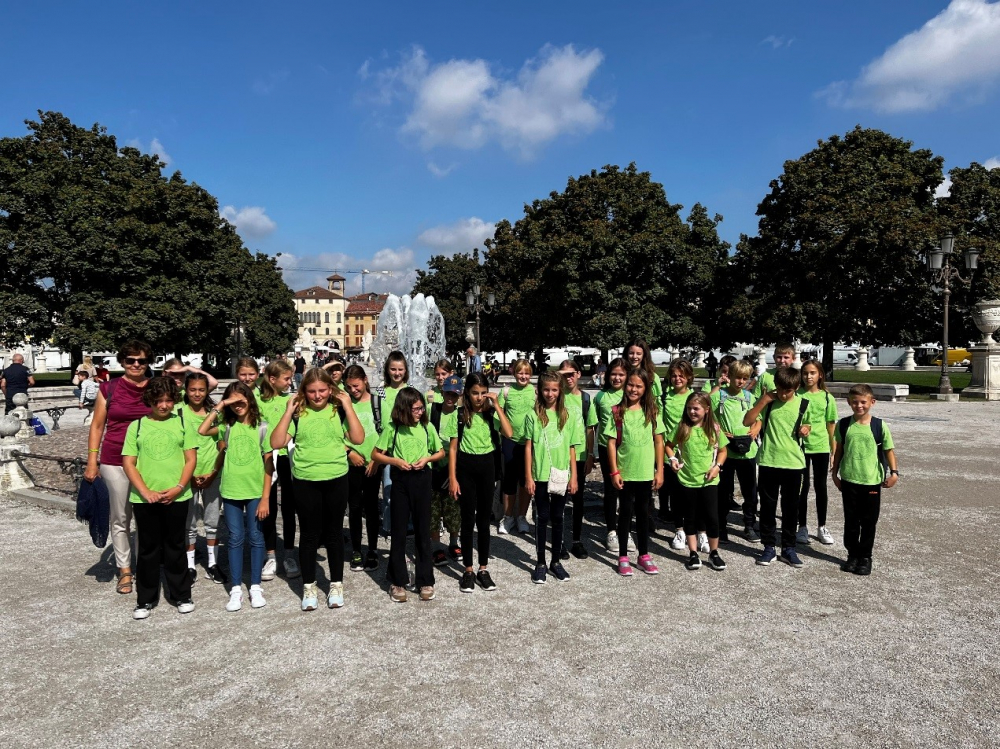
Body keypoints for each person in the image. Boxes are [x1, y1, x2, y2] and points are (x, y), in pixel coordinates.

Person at [270, 368, 365, 611]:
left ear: (330, 389)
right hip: (306, 480)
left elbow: (358, 438)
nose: (317, 395)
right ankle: (309, 586)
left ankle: (336, 584)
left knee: (334, 534)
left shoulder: (338, 410)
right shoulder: (298, 413)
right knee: (309, 535)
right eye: (311, 391)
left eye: (322, 390)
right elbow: (276, 442)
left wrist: (348, 406)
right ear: (304, 391)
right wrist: (288, 411)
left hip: (336, 477)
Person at [121, 377, 197, 620]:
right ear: (149, 401)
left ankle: (181, 594)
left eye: (168, 400)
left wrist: (179, 487)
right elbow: (128, 462)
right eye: (158, 401)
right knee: (148, 549)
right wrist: (145, 491)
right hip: (145, 498)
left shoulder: (183, 423)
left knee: (176, 545)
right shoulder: (137, 426)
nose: (163, 405)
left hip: (177, 495)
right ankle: (145, 598)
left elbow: (191, 459)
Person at [84, 340, 154, 596]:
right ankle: (124, 569)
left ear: (148, 362)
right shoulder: (109, 388)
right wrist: (92, 460)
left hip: (149, 461)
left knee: (148, 517)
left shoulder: (156, 388)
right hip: (115, 459)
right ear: (122, 362)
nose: (136, 364)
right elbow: (97, 426)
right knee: (120, 517)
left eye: (141, 360)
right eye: (130, 360)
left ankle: (147, 564)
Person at [202, 382, 273, 612]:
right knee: (235, 538)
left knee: (256, 536)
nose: (237, 405)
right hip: (231, 490)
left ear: (250, 399)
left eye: (241, 400)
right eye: (233, 402)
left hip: (255, 491)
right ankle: (235, 589)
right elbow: (202, 430)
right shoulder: (226, 426)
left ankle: (255, 586)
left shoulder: (263, 426)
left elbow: (269, 465)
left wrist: (265, 498)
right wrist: (222, 404)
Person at [371, 387, 446, 603]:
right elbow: (375, 454)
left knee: (423, 531)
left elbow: (440, 452)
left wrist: (427, 459)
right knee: (399, 531)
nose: (421, 412)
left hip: (422, 479)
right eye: (416, 409)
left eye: (422, 408)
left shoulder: (427, 427)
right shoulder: (393, 428)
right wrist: (395, 461)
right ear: (404, 409)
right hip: (401, 481)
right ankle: (397, 580)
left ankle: (425, 580)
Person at [443, 373, 513, 593]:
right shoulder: (459, 415)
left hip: (487, 467)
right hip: (466, 468)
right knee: (467, 519)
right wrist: (453, 478)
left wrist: (497, 406)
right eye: (475, 393)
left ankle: (483, 568)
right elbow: (452, 449)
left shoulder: (491, 414)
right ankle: (468, 569)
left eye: (483, 393)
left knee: (483, 521)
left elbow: (509, 432)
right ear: (467, 393)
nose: (479, 397)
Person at [743, 366, 813, 568]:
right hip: (769, 461)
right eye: (780, 389)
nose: (783, 394)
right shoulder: (769, 402)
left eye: (787, 391)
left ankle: (789, 548)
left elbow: (808, 424)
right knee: (767, 507)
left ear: (796, 388)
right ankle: (769, 547)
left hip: (794, 463)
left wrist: (806, 429)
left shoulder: (803, 403)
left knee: (791, 508)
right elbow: (747, 421)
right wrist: (763, 400)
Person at [832, 384, 899, 576]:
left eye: (863, 402)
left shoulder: (879, 425)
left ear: (872, 402)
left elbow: (888, 450)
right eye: (855, 402)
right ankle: (852, 555)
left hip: (871, 481)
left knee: (869, 522)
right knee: (851, 521)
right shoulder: (843, 425)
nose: (859, 406)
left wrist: (894, 473)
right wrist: (835, 474)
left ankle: (865, 557)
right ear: (849, 402)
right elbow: (839, 450)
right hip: (849, 479)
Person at [605, 367, 665, 576]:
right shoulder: (617, 412)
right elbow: (611, 443)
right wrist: (614, 472)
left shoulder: (652, 412)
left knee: (643, 513)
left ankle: (643, 555)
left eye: (639, 386)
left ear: (646, 388)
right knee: (625, 514)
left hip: (645, 472)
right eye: (630, 384)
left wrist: (659, 470)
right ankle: (623, 556)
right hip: (626, 472)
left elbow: (659, 441)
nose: (633, 389)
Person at [524, 372, 582, 584]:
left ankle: (555, 561)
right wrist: (528, 476)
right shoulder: (533, 415)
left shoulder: (567, 415)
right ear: (540, 390)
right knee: (542, 517)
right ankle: (540, 562)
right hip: (540, 474)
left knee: (558, 517)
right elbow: (528, 447)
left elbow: (572, 448)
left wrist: (574, 477)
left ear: (560, 391)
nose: (550, 394)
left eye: (554, 389)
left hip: (561, 474)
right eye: (546, 389)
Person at [667, 392, 729, 571]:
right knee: (690, 518)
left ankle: (714, 552)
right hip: (687, 480)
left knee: (712, 518)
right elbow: (668, 446)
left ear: (707, 409)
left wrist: (717, 466)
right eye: (689, 408)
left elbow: (723, 451)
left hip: (709, 481)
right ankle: (693, 553)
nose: (692, 412)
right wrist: (673, 460)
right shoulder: (682, 427)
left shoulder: (714, 429)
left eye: (696, 408)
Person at [708, 359, 761, 542]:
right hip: (726, 451)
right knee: (723, 491)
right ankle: (721, 526)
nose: (741, 382)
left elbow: (758, 417)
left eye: (745, 378)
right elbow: (709, 419)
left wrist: (756, 428)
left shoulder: (749, 397)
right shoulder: (718, 396)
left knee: (750, 491)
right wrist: (720, 432)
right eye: (737, 377)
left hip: (747, 450)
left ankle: (749, 524)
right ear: (729, 376)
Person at [180, 372, 225, 585]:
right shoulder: (178, 412)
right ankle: (189, 565)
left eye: (201, 389)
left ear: (207, 391)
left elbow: (222, 445)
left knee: (212, 520)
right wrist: (187, 475)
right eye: (192, 389)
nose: (197, 394)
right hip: (186, 474)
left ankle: (213, 563)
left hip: (212, 472)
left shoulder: (215, 413)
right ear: (185, 390)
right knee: (188, 522)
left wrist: (214, 472)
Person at [256, 359, 299, 577]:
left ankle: (289, 554)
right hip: (265, 457)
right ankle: (271, 555)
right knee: (269, 506)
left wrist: (285, 438)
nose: (290, 382)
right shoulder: (257, 399)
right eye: (286, 378)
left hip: (286, 456)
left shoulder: (289, 399)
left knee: (289, 507)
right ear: (272, 379)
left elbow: (294, 425)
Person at [342, 364, 385, 572]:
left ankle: (373, 549)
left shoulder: (378, 403)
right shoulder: (344, 405)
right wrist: (349, 452)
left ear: (365, 380)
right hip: (352, 463)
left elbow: (387, 432)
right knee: (354, 507)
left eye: (356, 385)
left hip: (373, 464)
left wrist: (377, 458)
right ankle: (357, 550)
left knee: (371, 507)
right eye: (349, 387)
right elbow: (336, 434)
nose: (353, 390)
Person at [797, 359, 839, 546]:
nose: (808, 376)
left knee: (820, 487)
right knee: (802, 487)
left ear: (820, 375)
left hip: (821, 446)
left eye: (812, 373)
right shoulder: (796, 394)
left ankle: (822, 526)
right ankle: (802, 526)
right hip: (801, 447)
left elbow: (831, 425)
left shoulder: (827, 397)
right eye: (805, 373)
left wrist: (833, 451)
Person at [558, 359, 597, 560]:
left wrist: (590, 454)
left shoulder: (585, 399)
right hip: (559, 455)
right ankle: (558, 541)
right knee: (559, 499)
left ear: (579, 374)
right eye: (564, 375)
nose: (568, 378)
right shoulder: (556, 396)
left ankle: (576, 540)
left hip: (580, 454)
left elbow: (590, 428)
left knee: (578, 499)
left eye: (571, 374)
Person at [594, 358, 630, 552]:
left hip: (629, 449)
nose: (617, 378)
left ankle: (626, 530)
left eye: (621, 374)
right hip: (606, 447)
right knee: (611, 490)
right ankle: (612, 531)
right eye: (614, 374)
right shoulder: (601, 397)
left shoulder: (632, 394)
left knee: (627, 490)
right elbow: (594, 424)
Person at [660, 359, 696, 550]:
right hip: (670, 451)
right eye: (673, 375)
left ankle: (696, 530)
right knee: (675, 494)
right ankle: (679, 529)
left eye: (681, 376)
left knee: (692, 494)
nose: (677, 379)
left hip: (692, 452)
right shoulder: (665, 397)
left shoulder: (694, 397)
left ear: (689, 377)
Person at [497, 359, 536, 536]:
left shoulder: (535, 392)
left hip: (529, 441)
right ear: (514, 373)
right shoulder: (506, 391)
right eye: (520, 372)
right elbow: (498, 414)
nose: (523, 376)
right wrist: (501, 430)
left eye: (527, 373)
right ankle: (507, 516)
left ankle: (521, 516)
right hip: (510, 440)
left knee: (525, 479)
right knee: (509, 480)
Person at [429, 374, 462, 566]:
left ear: (459, 395)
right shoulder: (433, 409)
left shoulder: (461, 414)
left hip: (453, 468)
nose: (450, 398)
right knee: (433, 509)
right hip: (434, 465)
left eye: (454, 395)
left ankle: (453, 543)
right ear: (442, 392)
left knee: (453, 508)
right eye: (448, 393)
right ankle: (436, 547)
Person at [378, 351, 410, 535]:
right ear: (387, 370)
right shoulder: (381, 392)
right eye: (393, 369)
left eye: (400, 369)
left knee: (409, 490)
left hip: (408, 447)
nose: (397, 373)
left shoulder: (411, 391)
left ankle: (408, 525)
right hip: (388, 449)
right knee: (389, 490)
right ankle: (389, 525)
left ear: (405, 371)